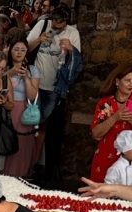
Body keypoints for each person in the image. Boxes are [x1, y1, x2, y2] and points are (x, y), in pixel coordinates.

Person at [26, 6, 81, 182]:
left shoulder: (72, 32)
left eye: (61, 23)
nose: (57, 26)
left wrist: (71, 49)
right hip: (34, 84)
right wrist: (39, 39)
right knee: (30, 125)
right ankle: (26, 165)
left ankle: (34, 167)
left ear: (66, 21)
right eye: (55, 22)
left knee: (42, 127)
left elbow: (77, 62)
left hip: (54, 88)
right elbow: (25, 47)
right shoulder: (42, 25)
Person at [88, 63, 132, 183]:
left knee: (128, 192)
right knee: (101, 192)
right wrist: (115, 118)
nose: (131, 84)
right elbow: (95, 134)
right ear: (117, 82)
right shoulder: (106, 103)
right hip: (106, 155)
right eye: (127, 80)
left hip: (131, 159)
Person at [1, 38, 40, 178]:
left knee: (23, 143)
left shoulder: (33, 70)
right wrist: (9, 73)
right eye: (16, 49)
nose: (19, 53)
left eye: (23, 50)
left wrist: (26, 78)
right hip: (7, 108)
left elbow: (32, 96)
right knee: (6, 139)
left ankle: (20, 174)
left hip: (23, 110)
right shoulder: (4, 67)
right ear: (10, 50)